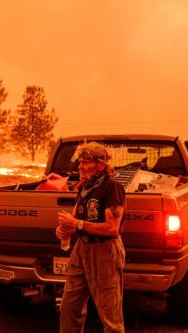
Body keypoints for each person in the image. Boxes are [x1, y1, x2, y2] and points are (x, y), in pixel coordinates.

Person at [55, 141, 126, 333]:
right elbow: (76, 219)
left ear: (100, 165)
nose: (80, 167)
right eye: (80, 162)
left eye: (85, 162)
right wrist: (64, 230)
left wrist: (76, 224)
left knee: (109, 312)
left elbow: (111, 229)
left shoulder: (113, 188)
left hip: (104, 251)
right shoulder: (85, 187)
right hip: (82, 249)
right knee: (69, 307)